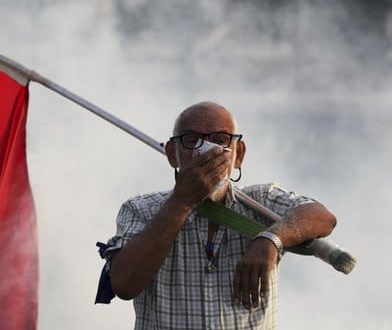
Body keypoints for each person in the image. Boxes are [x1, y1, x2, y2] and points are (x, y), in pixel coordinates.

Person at [97, 101, 337, 329]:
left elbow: (322, 217)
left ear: (238, 155)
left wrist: (271, 240)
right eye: (192, 140)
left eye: (220, 140)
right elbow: (125, 285)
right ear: (173, 154)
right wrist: (182, 201)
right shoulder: (141, 209)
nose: (206, 151)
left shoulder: (261, 202)